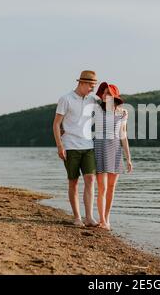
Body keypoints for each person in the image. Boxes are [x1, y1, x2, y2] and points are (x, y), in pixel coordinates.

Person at [53, 70, 99, 227]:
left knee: (91, 179)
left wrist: (121, 110)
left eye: (94, 86)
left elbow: (109, 106)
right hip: (70, 146)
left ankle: (89, 217)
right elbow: (56, 124)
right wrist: (60, 145)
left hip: (88, 146)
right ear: (82, 83)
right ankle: (77, 217)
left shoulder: (93, 100)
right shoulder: (66, 99)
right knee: (73, 182)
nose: (92, 89)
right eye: (91, 86)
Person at [93, 82, 133, 230]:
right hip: (99, 147)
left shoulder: (123, 113)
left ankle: (107, 219)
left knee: (111, 187)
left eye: (108, 93)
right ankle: (102, 220)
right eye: (103, 93)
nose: (104, 95)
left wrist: (128, 158)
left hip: (115, 149)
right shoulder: (96, 109)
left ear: (114, 96)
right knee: (102, 187)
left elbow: (123, 135)